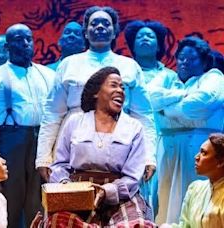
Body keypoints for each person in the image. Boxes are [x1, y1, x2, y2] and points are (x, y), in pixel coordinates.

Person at [36, 6, 157, 186]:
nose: (100, 27)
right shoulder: (69, 64)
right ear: (85, 32)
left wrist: (149, 156)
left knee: (121, 198)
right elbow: (53, 113)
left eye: (106, 23)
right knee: (71, 202)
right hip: (75, 139)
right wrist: (43, 157)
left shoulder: (130, 66)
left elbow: (143, 115)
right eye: (94, 23)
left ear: (115, 32)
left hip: (121, 137)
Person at [0, 23, 55, 228]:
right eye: (18, 40)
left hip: (41, 144)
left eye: (28, 39)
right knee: (9, 202)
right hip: (10, 144)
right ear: (7, 46)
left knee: (40, 202)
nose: (25, 44)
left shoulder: (48, 76)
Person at [47, 66, 153, 227]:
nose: (120, 91)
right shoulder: (75, 122)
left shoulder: (133, 127)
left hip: (120, 195)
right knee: (60, 221)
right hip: (78, 193)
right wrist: (66, 187)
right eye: (113, 85)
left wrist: (108, 191)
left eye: (122, 87)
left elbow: (133, 176)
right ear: (96, 92)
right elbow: (60, 165)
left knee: (134, 224)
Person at [153, 36, 224, 223]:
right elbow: (150, 97)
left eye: (191, 59)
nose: (184, 63)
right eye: (181, 58)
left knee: (191, 197)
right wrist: (182, 95)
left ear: (203, 62)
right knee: (163, 198)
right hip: (167, 149)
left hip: (197, 147)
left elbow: (195, 106)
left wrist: (165, 109)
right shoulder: (167, 77)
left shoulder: (214, 77)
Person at [124, 19, 176, 217]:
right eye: (140, 36)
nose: (145, 39)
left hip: (163, 139)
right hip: (128, 137)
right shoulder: (124, 71)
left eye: (150, 36)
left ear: (159, 44)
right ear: (132, 44)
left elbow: (174, 107)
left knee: (160, 188)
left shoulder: (170, 76)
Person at [160, 133, 224, 228]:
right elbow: (185, 226)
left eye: (204, 153)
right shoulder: (195, 189)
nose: (196, 157)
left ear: (220, 162)